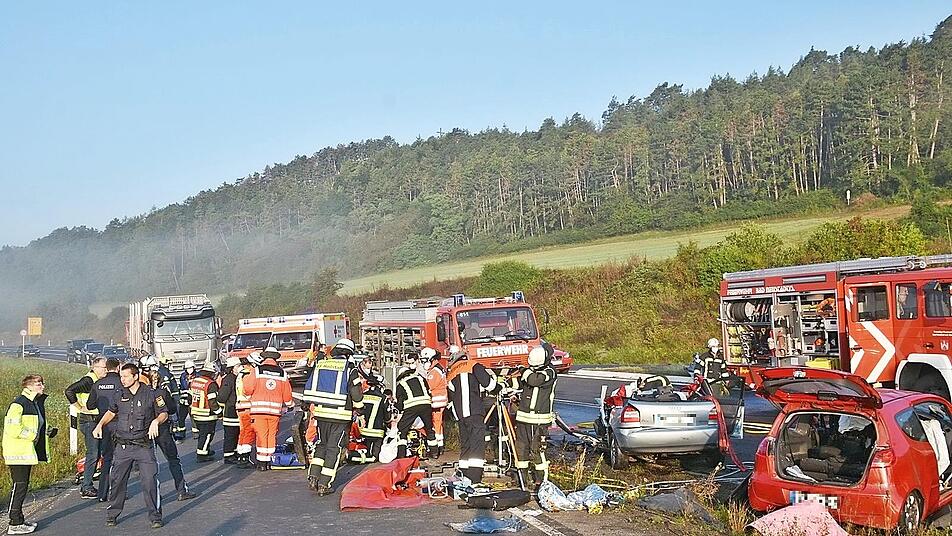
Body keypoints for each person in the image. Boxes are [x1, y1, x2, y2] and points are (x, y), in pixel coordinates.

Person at [92, 363, 167, 529]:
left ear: (135, 376)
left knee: (149, 481)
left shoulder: (151, 393)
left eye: (126, 376)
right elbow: (111, 412)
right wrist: (100, 425)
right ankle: (112, 514)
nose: (123, 380)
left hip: (144, 446)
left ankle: (155, 516)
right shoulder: (119, 394)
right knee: (117, 481)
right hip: (123, 446)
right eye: (121, 376)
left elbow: (164, 413)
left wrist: (156, 421)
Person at [302, 338, 363, 495]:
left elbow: (310, 384)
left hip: (321, 414)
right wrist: (360, 408)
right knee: (334, 449)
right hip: (340, 415)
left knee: (321, 445)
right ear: (349, 353)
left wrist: (306, 403)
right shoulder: (349, 368)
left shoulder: (321, 364)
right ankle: (325, 483)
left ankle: (313, 477)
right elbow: (355, 392)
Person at [3, 375, 55, 535]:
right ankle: (14, 523)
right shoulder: (19, 404)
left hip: (25, 451)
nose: (42, 386)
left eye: (42, 383)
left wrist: (45, 433)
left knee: (23, 486)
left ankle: (19, 519)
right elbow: (12, 428)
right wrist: (32, 435)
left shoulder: (33, 403)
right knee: (19, 486)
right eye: (39, 384)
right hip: (17, 451)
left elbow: (34, 426)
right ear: (28, 386)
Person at [146, 366, 196, 501]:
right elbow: (172, 409)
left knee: (151, 464)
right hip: (162, 430)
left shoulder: (143, 393)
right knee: (173, 460)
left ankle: (155, 494)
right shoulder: (162, 392)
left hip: (147, 431)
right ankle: (181, 490)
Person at [447, 352, 497, 483]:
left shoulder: (452, 372)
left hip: (460, 414)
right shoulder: (473, 365)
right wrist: (500, 387)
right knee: (477, 444)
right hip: (474, 410)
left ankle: (463, 475)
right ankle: (474, 478)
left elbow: (451, 394)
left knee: (466, 445)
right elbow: (489, 385)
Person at [242, 347, 293, 471]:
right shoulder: (282, 373)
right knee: (271, 435)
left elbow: (248, 387)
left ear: (264, 357)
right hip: (274, 411)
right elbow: (287, 393)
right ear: (276, 358)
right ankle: (270, 460)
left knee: (261, 435)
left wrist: (248, 396)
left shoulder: (257, 370)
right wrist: (289, 404)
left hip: (258, 411)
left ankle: (262, 462)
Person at [513, 347, 557, 489]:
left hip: (539, 419)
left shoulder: (549, 372)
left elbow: (534, 380)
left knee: (537, 451)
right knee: (521, 449)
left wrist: (523, 370)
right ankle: (521, 479)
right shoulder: (530, 371)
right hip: (523, 418)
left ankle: (542, 483)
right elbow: (521, 384)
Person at [64, 357, 106, 499]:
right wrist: (80, 407)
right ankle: (86, 486)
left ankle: (89, 485)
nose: (105, 370)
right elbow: (69, 391)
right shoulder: (88, 380)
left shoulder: (97, 380)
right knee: (93, 454)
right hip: (88, 421)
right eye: (103, 368)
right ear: (95, 367)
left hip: (94, 420)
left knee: (97, 453)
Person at [85, 359, 123, 502]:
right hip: (120, 424)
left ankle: (102, 494)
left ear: (106, 368)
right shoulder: (122, 383)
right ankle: (119, 491)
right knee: (121, 459)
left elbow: (90, 405)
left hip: (103, 424)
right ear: (118, 368)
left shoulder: (97, 384)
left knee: (107, 458)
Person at [394, 353, 437, 459]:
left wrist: (398, 408)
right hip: (426, 404)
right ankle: (434, 452)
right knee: (429, 428)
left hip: (411, 407)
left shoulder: (401, 384)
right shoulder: (420, 378)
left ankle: (401, 455)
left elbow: (400, 405)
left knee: (402, 429)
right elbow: (428, 391)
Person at [353, 356, 388, 463]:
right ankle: (369, 457)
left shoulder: (364, 396)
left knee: (368, 449)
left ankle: (361, 456)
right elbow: (387, 417)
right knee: (375, 456)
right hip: (377, 432)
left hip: (363, 431)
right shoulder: (382, 398)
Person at [189, 362, 221, 462]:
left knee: (202, 434)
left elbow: (190, 396)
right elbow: (212, 401)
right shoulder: (210, 384)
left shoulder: (195, 381)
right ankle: (202, 454)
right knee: (207, 434)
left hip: (196, 413)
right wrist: (219, 412)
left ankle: (204, 449)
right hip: (207, 415)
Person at [234, 352, 259, 468]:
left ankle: (241, 455)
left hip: (240, 406)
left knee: (243, 432)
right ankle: (245, 457)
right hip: (247, 406)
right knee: (249, 432)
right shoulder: (249, 373)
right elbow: (249, 390)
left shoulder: (241, 373)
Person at [421, 348, 447, 456]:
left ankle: (435, 447)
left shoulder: (434, 372)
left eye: (425, 360)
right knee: (438, 425)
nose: (424, 363)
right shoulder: (438, 369)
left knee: (434, 425)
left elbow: (429, 386)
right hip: (440, 402)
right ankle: (439, 445)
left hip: (436, 402)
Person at [217, 357, 242, 465]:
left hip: (237, 410)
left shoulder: (237, 378)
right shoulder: (228, 379)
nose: (239, 368)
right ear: (232, 368)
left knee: (237, 434)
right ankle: (228, 455)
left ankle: (234, 453)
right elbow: (222, 397)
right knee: (230, 435)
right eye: (237, 366)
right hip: (230, 412)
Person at [155, 355, 185, 440]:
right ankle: (174, 433)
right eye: (169, 364)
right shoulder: (165, 374)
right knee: (173, 416)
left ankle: (173, 431)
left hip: (166, 399)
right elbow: (171, 388)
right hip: (168, 399)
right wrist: (176, 399)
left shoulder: (164, 372)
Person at [178, 360, 198, 438]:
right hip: (184, 400)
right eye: (187, 368)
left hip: (193, 400)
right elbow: (183, 387)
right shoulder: (182, 376)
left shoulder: (197, 376)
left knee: (193, 416)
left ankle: (195, 433)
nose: (189, 370)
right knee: (181, 417)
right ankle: (181, 433)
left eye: (190, 368)